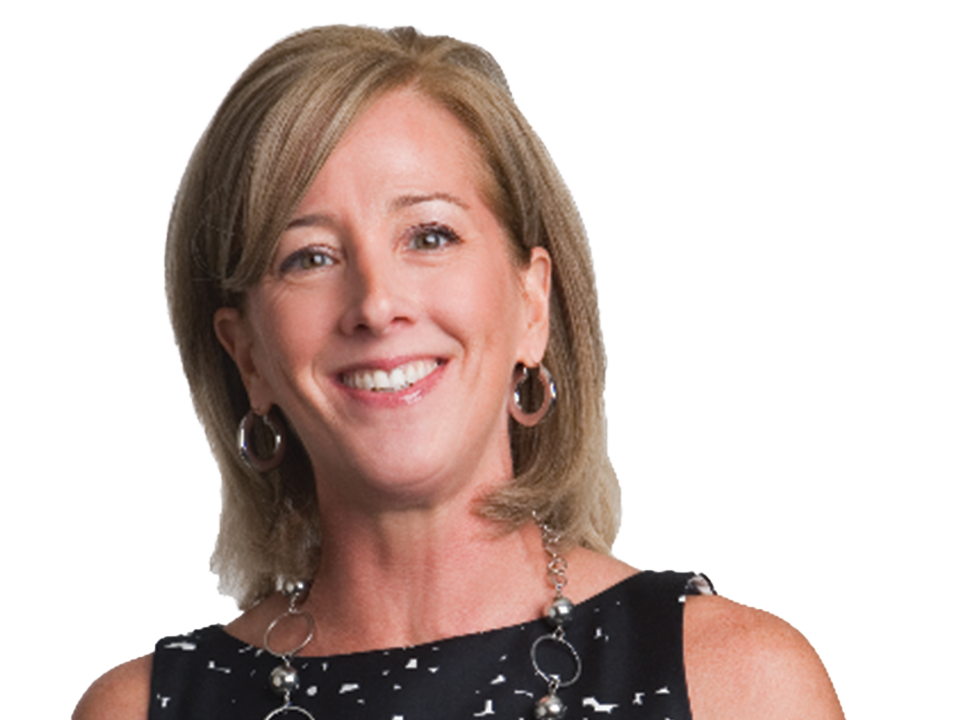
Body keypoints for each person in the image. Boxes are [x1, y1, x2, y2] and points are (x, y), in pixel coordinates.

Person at [72, 24, 844, 720]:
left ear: (531, 302)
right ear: (248, 357)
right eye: (309, 255)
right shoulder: (142, 712)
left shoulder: (739, 686)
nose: (376, 303)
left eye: (430, 235)